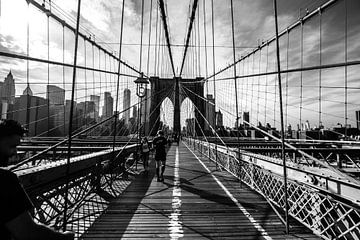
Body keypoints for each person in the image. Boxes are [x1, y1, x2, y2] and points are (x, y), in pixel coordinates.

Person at [0, 119, 74, 240]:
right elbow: (28, 232)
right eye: (12, 146)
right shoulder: (5, 180)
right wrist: (62, 237)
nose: (15, 152)